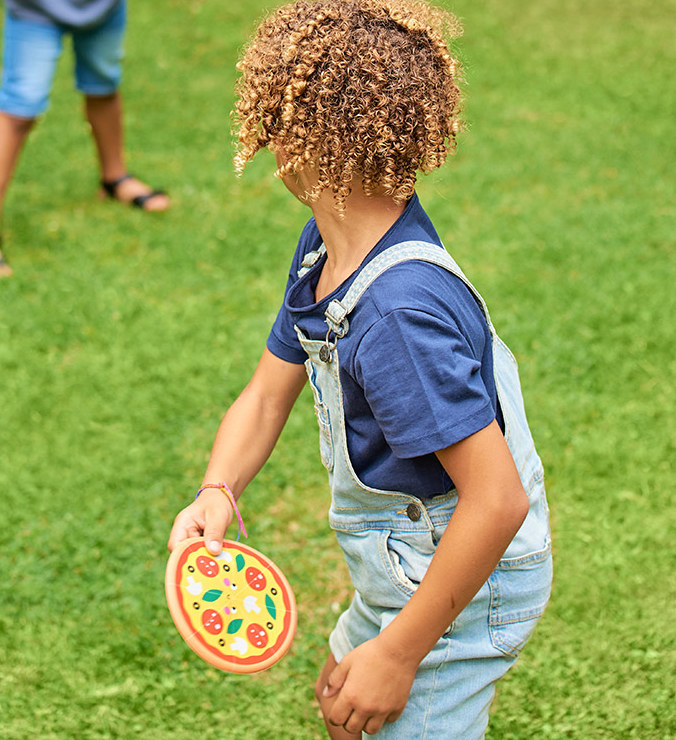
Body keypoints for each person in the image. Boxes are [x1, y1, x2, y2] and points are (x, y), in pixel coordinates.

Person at [167, 0, 553, 737]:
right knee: (347, 708)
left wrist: (400, 654)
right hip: (406, 563)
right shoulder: (325, 251)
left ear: (298, 140)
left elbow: (496, 501)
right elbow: (265, 393)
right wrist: (218, 490)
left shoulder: (397, 317)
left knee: (377, 698)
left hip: (468, 581)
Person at [0, 0, 170, 276]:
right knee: (19, 106)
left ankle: (115, 178)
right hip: (35, 10)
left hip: (103, 8)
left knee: (103, 86)